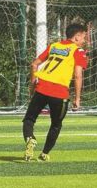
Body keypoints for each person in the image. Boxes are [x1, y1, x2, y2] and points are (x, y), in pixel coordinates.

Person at [23, 23, 88, 162]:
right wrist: (77, 99)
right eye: (84, 37)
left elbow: (34, 64)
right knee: (56, 124)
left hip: (41, 87)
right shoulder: (78, 51)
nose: (84, 41)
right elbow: (78, 75)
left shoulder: (54, 46)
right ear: (77, 37)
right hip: (59, 92)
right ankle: (44, 153)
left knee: (29, 119)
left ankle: (30, 138)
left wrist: (32, 85)